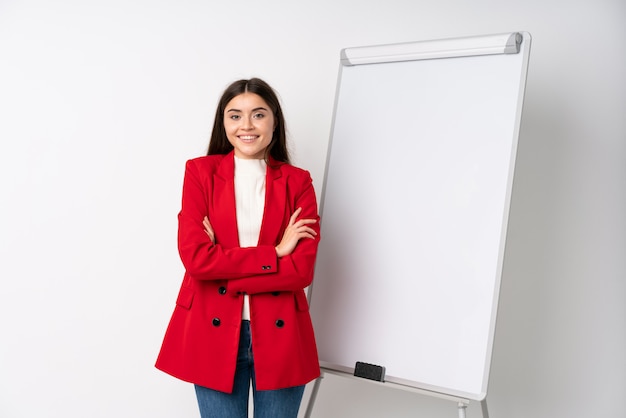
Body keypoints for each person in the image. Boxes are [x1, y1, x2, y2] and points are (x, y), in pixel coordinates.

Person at [155, 78, 321, 418]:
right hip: (211, 331)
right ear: (223, 123)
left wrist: (223, 267)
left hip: (281, 333)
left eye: (258, 114)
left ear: (274, 120)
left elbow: (300, 272)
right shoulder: (200, 173)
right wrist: (275, 253)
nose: (246, 125)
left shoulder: (297, 181)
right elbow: (197, 261)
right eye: (235, 116)